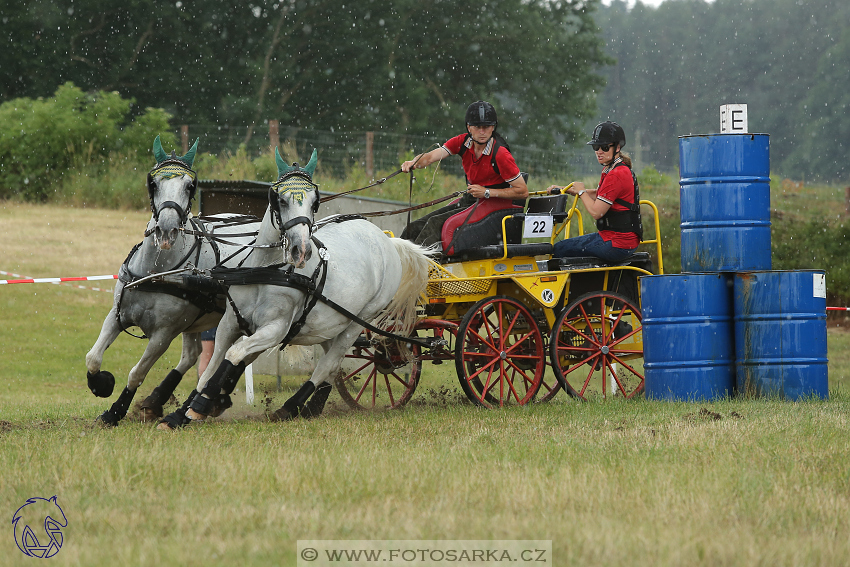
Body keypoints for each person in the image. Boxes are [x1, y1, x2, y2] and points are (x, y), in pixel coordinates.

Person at [399, 100, 528, 248]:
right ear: (469, 127)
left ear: (493, 127)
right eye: (478, 127)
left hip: (495, 206)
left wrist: (486, 192)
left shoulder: (501, 155)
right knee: (415, 227)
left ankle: (422, 267)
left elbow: (522, 191)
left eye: (486, 127)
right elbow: (430, 157)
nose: (482, 132)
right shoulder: (462, 142)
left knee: (434, 225)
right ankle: (402, 262)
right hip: (472, 200)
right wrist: (413, 162)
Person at [546, 121, 642, 263]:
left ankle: (574, 284)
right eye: (596, 147)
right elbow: (599, 194)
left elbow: (597, 212)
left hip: (617, 243)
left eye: (604, 147)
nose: (599, 151)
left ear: (617, 148)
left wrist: (581, 193)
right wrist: (565, 189)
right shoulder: (612, 169)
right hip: (621, 240)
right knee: (563, 247)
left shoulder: (616, 174)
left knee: (558, 249)